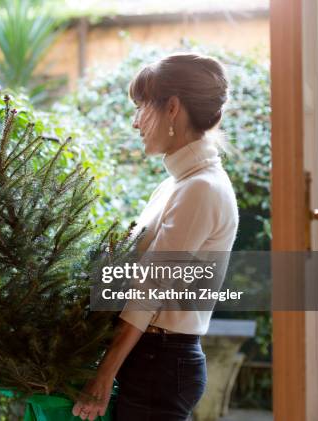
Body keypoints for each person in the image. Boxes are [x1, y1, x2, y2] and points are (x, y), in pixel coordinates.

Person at [72, 53, 239, 421]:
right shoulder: (175, 185)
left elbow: (150, 290)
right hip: (151, 358)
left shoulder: (200, 189)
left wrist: (104, 374)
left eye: (141, 107)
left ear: (173, 108)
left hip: (159, 362)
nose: (135, 122)